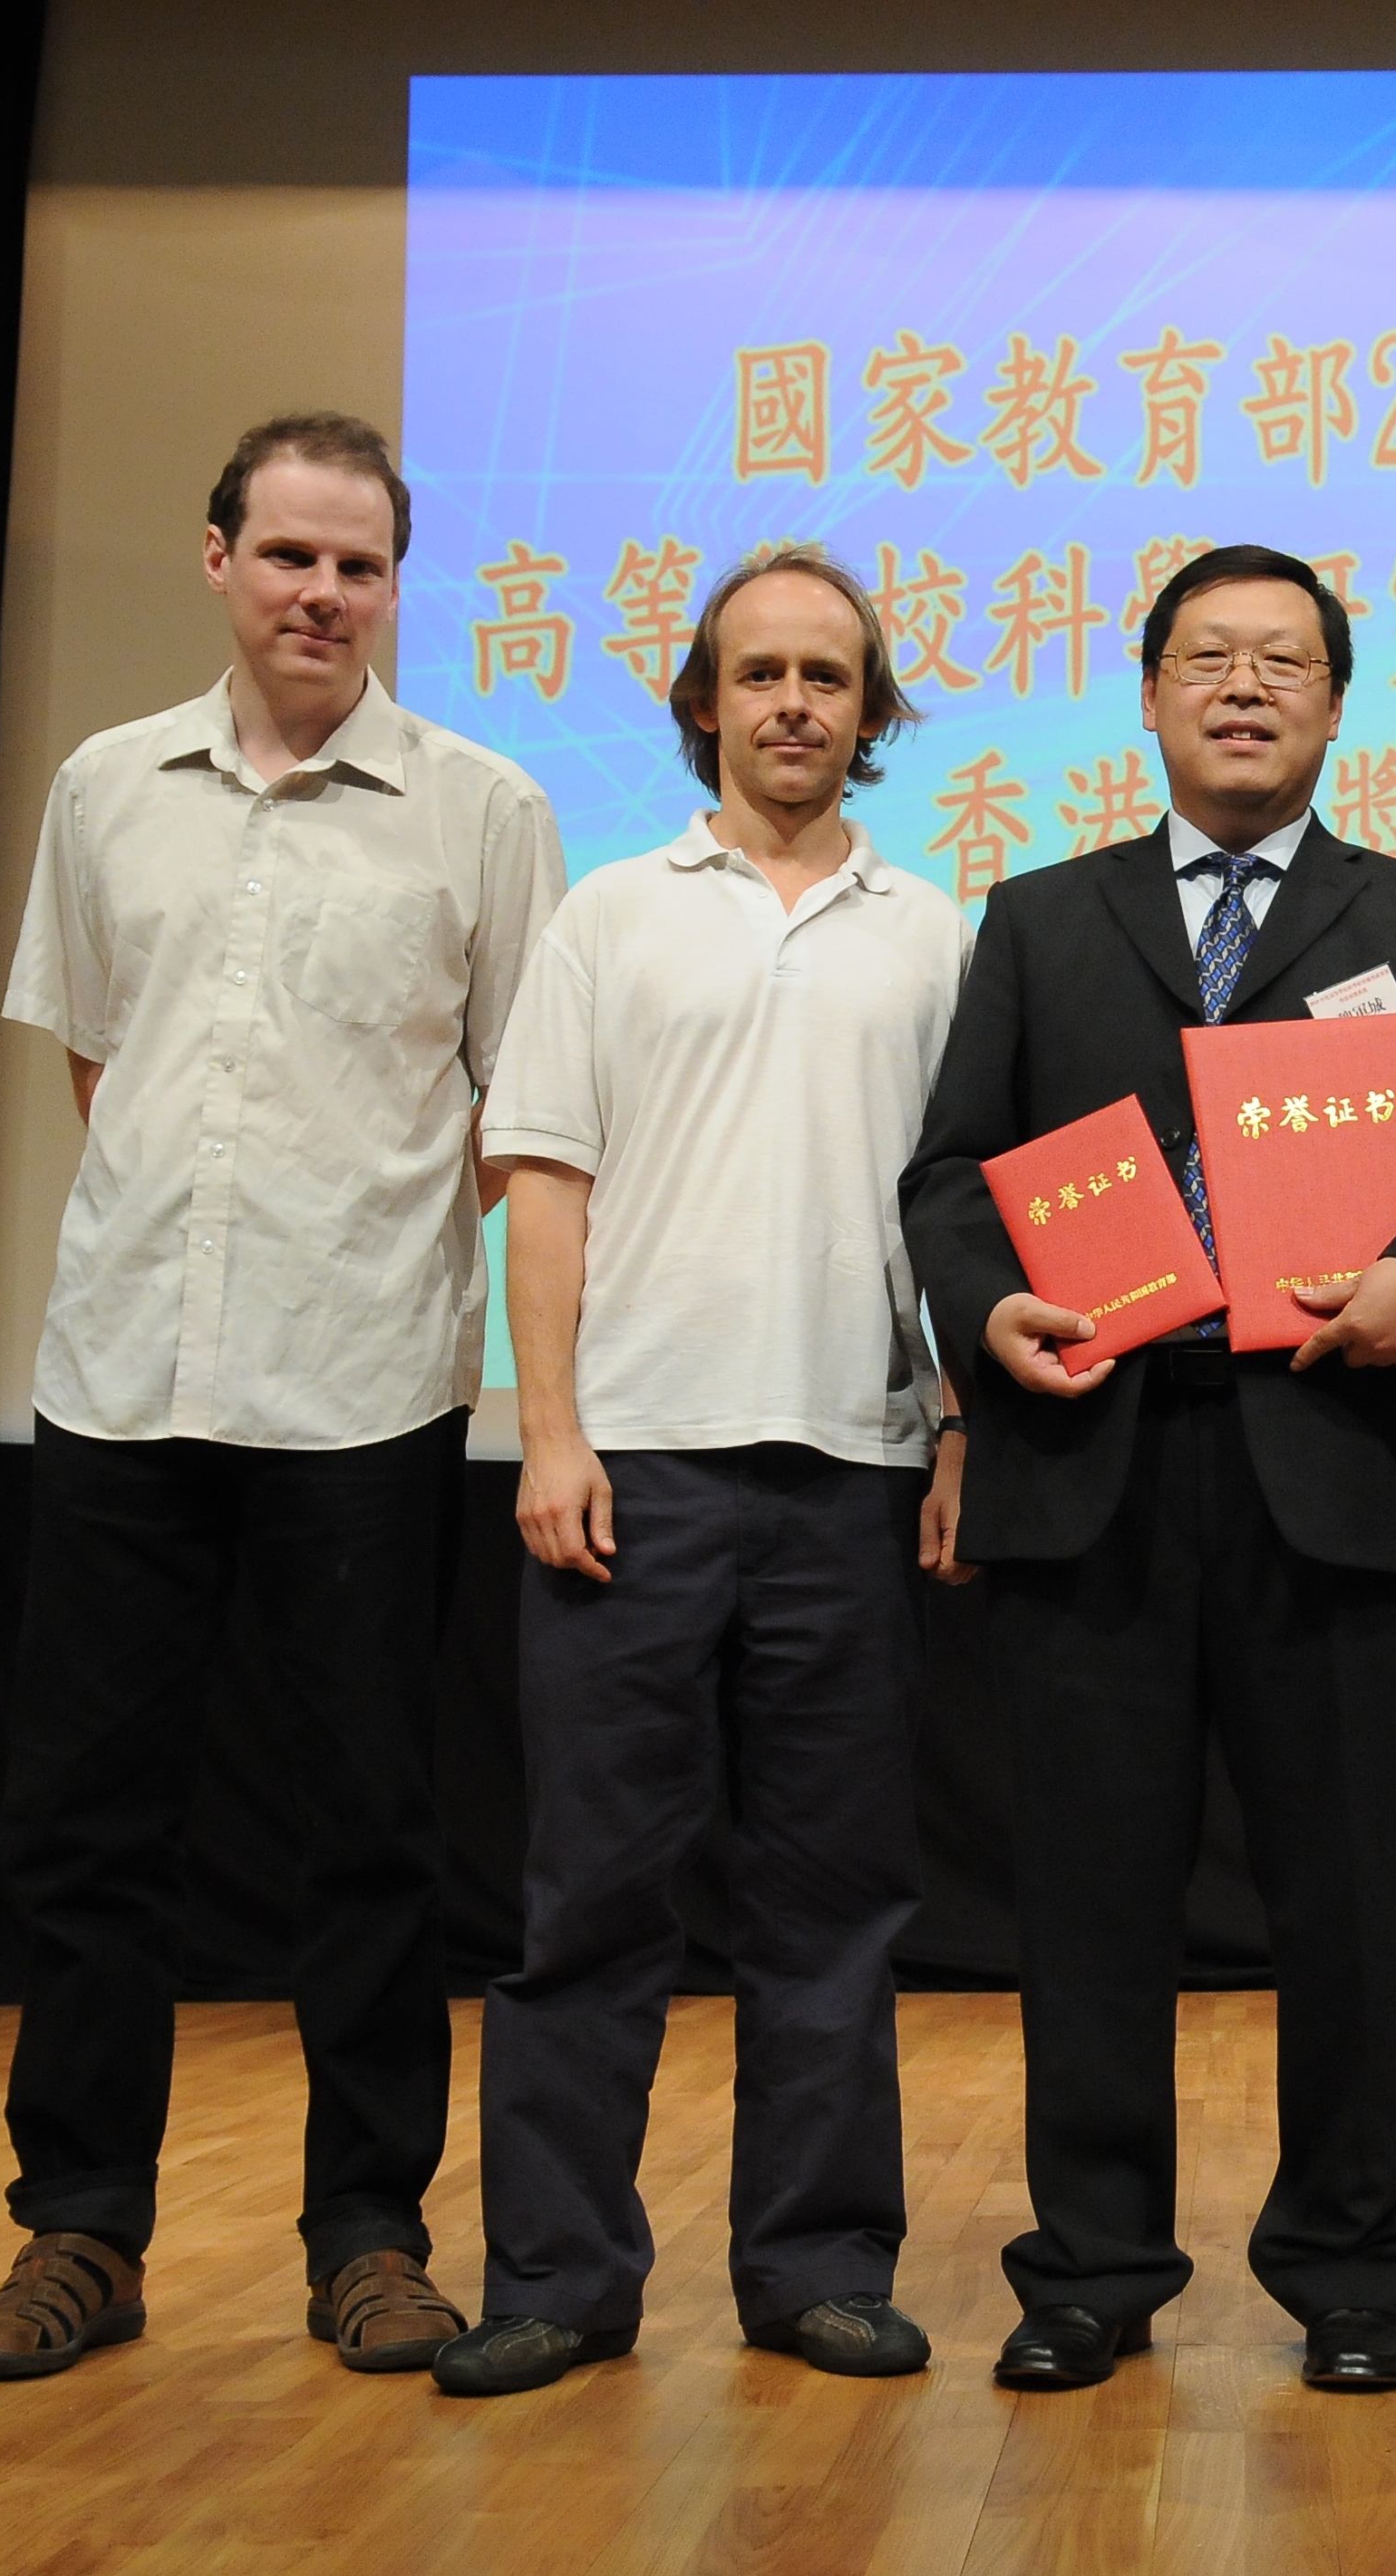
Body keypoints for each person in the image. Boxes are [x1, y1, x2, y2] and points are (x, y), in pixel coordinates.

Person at [899, 543, 1396, 2396]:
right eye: (1206, 653)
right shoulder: (1043, 917)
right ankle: (1092, 2264)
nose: (1243, 684)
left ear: (1335, 705)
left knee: (1352, 1902)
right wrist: (990, 1315)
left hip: (1337, 1459)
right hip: (1092, 1460)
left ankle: (1354, 2272)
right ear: (1145, 694)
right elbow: (953, 1171)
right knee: (1088, 1900)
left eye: (1284, 659)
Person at [0, 413, 562, 2380]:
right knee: (83, 1827)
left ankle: (369, 2231)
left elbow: (521, 1107)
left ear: (396, 585)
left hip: (363, 1383)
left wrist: (352, 1235)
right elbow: (102, 1068)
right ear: (217, 558)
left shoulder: (478, 805)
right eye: (286, 555)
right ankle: (77, 2230)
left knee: (371, 1828)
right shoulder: (105, 784)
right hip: (125, 1377)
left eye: (357, 565)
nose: (320, 593)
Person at [430, 545, 972, 2398]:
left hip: (850, 1465)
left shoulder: (933, 928)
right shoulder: (609, 915)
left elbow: (951, 1220)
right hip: (631, 1473)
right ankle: (559, 2275)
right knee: (587, 1898)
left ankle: (815, 2263)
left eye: (828, 675)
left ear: (869, 708)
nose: (794, 704)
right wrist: (549, 1427)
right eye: (760, 674)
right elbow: (546, 1186)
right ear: (705, 700)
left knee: (833, 1899)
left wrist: (955, 1424)